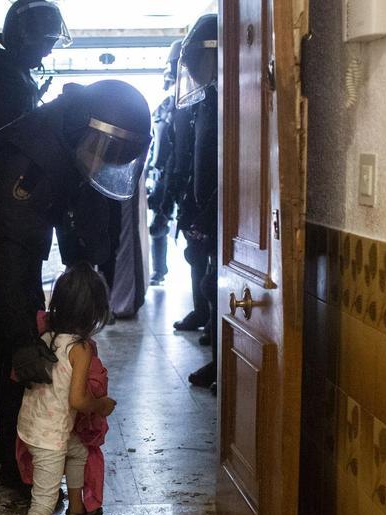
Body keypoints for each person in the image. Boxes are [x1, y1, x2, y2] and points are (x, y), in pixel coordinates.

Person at [0, 80, 152, 491]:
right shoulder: (31, 154)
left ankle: (29, 461)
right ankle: (16, 468)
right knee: (21, 364)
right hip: (10, 256)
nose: (105, 161)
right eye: (107, 151)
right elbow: (9, 259)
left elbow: (85, 218)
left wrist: (86, 271)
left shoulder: (72, 136)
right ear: (88, 129)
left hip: (25, 247)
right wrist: (23, 338)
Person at [3, 264, 117, 515]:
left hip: (32, 425)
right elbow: (78, 400)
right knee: (42, 503)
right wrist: (102, 404)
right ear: (94, 311)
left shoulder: (47, 336)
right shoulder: (79, 349)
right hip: (49, 437)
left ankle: (77, 510)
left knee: (78, 450)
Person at [175, 14, 220, 389]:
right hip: (203, 208)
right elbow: (195, 160)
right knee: (210, 284)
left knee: (217, 287)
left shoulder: (235, 101)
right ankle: (219, 362)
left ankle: (225, 365)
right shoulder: (207, 100)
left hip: (223, 214)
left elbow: (237, 168)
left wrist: (208, 215)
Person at [0, 0, 69, 145]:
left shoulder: (15, 72)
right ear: (21, 37)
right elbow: (11, 138)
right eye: (46, 42)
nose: (49, 51)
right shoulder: (0, 76)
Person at [146, 40, 184, 286]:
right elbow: (155, 144)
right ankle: (160, 271)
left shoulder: (189, 105)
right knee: (158, 226)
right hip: (162, 174)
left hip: (180, 174)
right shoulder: (165, 106)